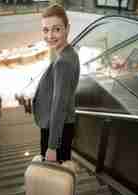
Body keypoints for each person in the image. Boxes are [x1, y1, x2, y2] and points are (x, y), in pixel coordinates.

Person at [32, 4, 80, 162]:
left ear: (67, 28)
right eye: (46, 30)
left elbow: (59, 105)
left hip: (55, 130)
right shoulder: (70, 53)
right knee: (60, 172)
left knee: (53, 177)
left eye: (56, 29)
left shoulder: (63, 62)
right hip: (62, 128)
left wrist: (52, 146)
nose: (50, 35)